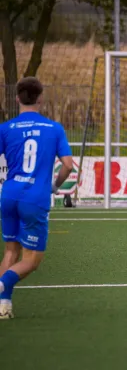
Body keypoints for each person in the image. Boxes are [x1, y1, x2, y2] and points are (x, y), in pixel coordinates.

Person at [0, 77, 73, 319]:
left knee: (11, 253)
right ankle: (1, 287)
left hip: (9, 195)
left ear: (17, 98)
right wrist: (54, 185)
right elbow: (68, 166)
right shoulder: (54, 129)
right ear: (41, 98)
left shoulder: (6, 128)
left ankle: (4, 305)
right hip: (35, 198)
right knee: (31, 261)